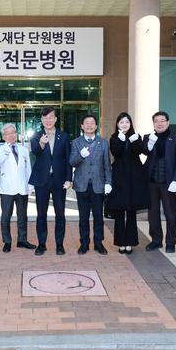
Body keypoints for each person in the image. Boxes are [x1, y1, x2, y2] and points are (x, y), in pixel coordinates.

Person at [29, 107, 72, 256]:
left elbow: (68, 159)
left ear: (55, 119)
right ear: (42, 120)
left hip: (59, 181)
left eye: (51, 117)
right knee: (41, 214)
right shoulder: (36, 136)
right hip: (42, 181)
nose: (48, 120)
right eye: (45, 118)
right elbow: (35, 152)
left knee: (60, 214)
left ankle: (59, 244)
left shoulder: (64, 136)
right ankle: (42, 244)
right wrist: (41, 143)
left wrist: (69, 179)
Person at [69, 115, 112, 255]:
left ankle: (98, 243)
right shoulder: (76, 142)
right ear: (82, 126)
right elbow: (72, 162)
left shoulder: (103, 143)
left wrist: (108, 182)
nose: (89, 125)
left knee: (98, 217)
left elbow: (107, 165)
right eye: (86, 123)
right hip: (81, 185)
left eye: (92, 123)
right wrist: (81, 155)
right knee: (83, 217)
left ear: (96, 126)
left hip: (98, 185)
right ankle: (84, 243)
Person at [142, 111, 176, 253]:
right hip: (151, 182)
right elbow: (144, 152)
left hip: (168, 183)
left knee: (170, 214)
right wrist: (149, 144)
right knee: (152, 214)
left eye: (162, 120)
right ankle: (156, 240)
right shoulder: (148, 137)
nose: (159, 123)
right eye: (156, 121)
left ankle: (171, 242)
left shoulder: (175, 139)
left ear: (168, 122)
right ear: (153, 123)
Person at [107, 112, 148, 254]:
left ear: (130, 124)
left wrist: (135, 141)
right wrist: (120, 140)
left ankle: (130, 242)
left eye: (127, 122)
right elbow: (116, 153)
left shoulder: (136, 136)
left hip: (133, 177)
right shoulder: (113, 138)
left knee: (131, 211)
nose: (124, 124)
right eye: (122, 122)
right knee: (119, 210)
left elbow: (140, 152)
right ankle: (120, 242)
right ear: (117, 124)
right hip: (119, 177)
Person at [0, 123, 36, 252]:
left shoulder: (23, 149)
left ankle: (22, 240)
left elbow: (28, 169)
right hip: (7, 189)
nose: (11, 135)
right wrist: (7, 149)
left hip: (22, 187)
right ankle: (7, 241)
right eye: (8, 133)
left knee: (22, 216)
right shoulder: (0, 150)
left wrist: (30, 186)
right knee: (6, 216)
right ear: (3, 136)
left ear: (16, 134)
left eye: (13, 132)